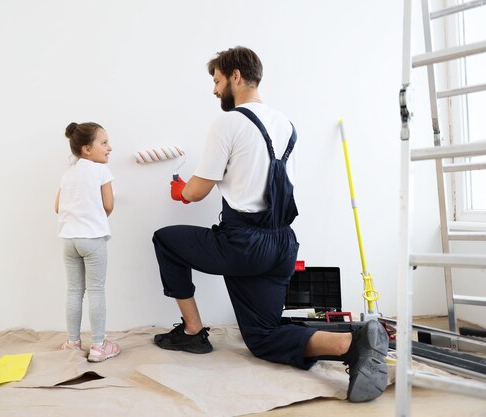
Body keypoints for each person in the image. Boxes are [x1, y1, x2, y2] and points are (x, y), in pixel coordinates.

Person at [151, 46, 388, 402]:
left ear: (235, 75)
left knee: (165, 240)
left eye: (217, 81)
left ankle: (192, 331)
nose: (215, 91)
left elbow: (197, 191)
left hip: (242, 244)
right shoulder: (286, 124)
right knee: (262, 336)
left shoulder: (228, 122)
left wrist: (180, 191)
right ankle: (351, 342)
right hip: (281, 245)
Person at [55, 121, 120, 363]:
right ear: (86, 149)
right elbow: (109, 205)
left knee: (74, 291)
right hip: (92, 239)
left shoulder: (68, 174)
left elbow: (57, 207)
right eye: (104, 143)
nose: (109, 147)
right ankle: (99, 345)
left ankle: (72, 342)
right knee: (96, 291)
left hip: (69, 240)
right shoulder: (102, 171)